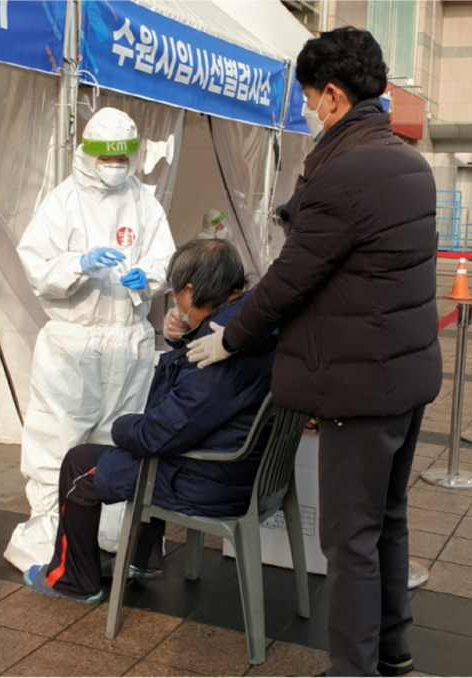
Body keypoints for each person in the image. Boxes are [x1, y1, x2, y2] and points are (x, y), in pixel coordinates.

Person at [187, 28, 442, 678]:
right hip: (405, 376)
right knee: (387, 519)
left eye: (307, 97)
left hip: (358, 388)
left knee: (349, 538)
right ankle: (394, 649)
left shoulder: (344, 170)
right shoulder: (409, 163)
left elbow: (287, 282)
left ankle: (353, 669)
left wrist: (227, 339)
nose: (306, 109)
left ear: (331, 95)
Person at [23, 239, 275, 602]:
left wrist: (122, 426)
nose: (175, 301)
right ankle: (143, 556)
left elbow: (161, 435)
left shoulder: (218, 360)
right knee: (145, 446)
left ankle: (72, 580)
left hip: (207, 480)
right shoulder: (250, 326)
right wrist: (187, 336)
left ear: (190, 289)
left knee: (80, 463)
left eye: (176, 292)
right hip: (240, 468)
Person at [5, 108, 176, 572]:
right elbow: (38, 266)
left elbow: (164, 258)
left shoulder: (145, 202)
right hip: (74, 341)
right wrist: (79, 263)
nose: (116, 165)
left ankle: (108, 530)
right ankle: (50, 533)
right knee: (59, 437)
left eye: (124, 156)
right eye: (108, 156)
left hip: (128, 338)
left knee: (118, 436)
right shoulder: (63, 201)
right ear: (89, 154)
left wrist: (150, 278)